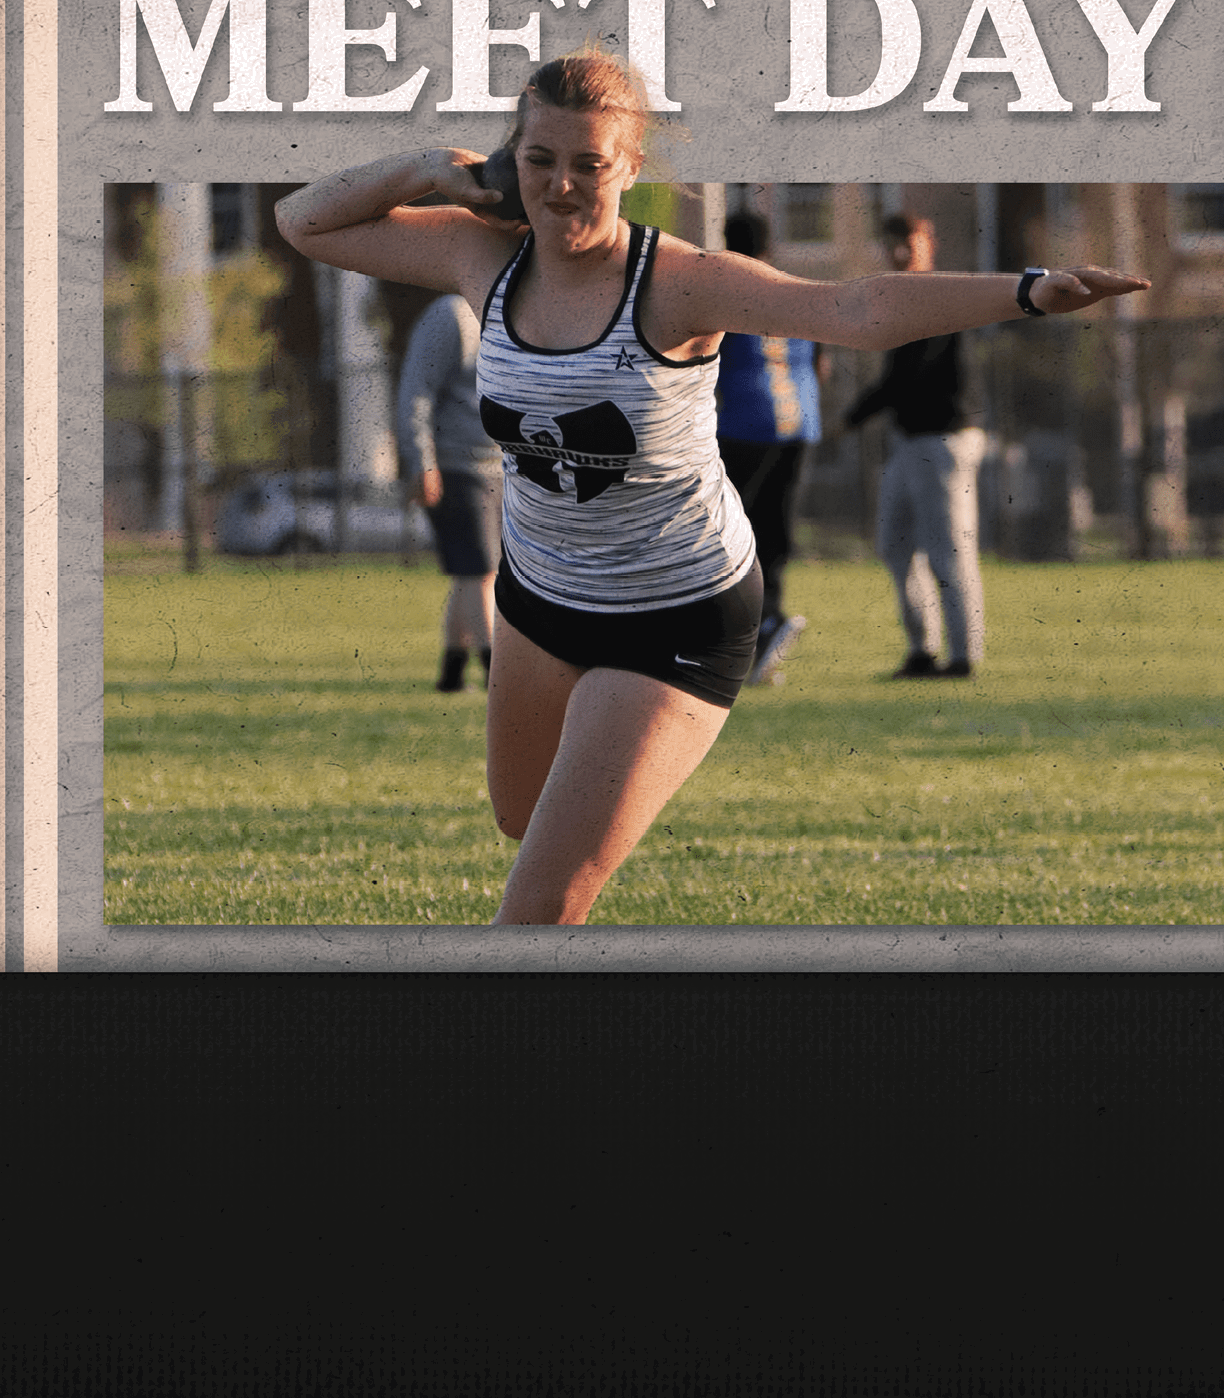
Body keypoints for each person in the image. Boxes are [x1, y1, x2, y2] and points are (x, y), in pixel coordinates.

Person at [275, 49, 1148, 926]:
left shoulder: (679, 281)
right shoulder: (481, 257)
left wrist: (1029, 291)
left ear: (631, 169)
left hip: (675, 615)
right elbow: (302, 222)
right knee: (519, 818)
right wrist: (431, 168)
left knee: (538, 909)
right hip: (540, 599)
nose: (563, 187)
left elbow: (853, 310)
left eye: (591, 165)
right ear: (509, 160)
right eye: (541, 160)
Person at [844, 213, 987, 680]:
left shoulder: (939, 295)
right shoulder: (902, 298)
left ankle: (964, 657)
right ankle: (922, 652)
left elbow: (907, 379)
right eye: (892, 245)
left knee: (949, 551)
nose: (900, 253)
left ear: (929, 242)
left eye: (909, 243)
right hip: (909, 441)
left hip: (943, 438)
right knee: (895, 546)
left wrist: (852, 416)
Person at [716, 210, 832, 686]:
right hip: (800, 422)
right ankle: (771, 621)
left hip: (746, 421)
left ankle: (755, 629)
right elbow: (822, 358)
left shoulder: (724, 288)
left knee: (732, 532)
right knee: (776, 529)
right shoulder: (794, 286)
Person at [396, 292, 503, 693]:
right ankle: (497, 676)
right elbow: (415, 391)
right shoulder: (451, 315)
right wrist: (421, 461)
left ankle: (452, 676)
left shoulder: (512, 310)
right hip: (457, 467)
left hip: (498, 466)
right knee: (481, 572)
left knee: (469, 573)